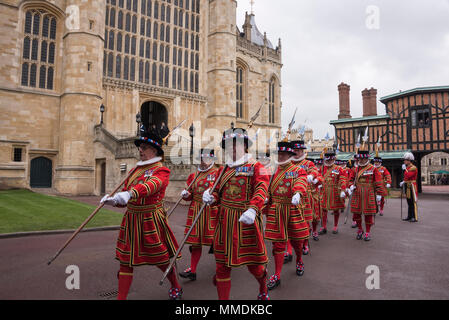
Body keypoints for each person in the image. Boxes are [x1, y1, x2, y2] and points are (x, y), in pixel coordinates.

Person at [101, 127, 182, 300]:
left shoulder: (161, 170)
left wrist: (129, 194)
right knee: (126, 260)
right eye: (140, 147)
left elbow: (150, 186)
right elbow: (124, 196)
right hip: (131, 219)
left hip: (150, 219)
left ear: (154, 150)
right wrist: (114, 200)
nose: (140, 150)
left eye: (144, 147)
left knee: (160, 259)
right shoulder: (134, 171)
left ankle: (175, 284)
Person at [202, 128, 270, 300]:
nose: (232, 148)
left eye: (236, 144)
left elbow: (262, 189)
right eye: (228, 145)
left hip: (245, 221)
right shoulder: (222, 170)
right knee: (221, 267)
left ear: (245, 146)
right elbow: (217, 191)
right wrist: (211, 196)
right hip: (224, 223)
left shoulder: (257, 167)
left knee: (255, 267)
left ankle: (263, 286)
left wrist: (253, 209)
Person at [265, 142, 310, 290]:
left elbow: (301, 181)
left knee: (296, 241)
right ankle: (277, 275)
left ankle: (299, 260)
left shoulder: (297, 170)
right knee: (277, 244)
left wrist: (297, 192)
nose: (280, 156)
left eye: (283, 154)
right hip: (277, 210)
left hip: (291, 208)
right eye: (278, 154)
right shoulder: (273, 171)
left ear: (290, 155)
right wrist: (266, 198)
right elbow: (267, 188)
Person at [179, 149, 220, 281]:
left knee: (217, 242)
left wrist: (212, 197)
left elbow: (221, 192)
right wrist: (186, 195)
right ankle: (193, 270)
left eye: (206, 159)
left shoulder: (218, 173)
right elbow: (190, 195)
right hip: (196, 209)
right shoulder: (194, 175)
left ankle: (222, 269)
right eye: (201, 158)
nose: (203, 161)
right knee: (195, 242)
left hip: (212, 211)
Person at [348, 150, 387, 241]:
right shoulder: (355, 169)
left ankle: (367, 232)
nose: (360, 160)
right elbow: (350, 180)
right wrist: (350, 186)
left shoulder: (373, 169)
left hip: (369, 193)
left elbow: (378, 182)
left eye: (362, 159)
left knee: (368, 214)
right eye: (359, 159)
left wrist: (379, 194)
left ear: (367, 158)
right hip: (357, 193)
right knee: (356, 215)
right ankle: (360, 229)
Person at [319, 149, 348, 235]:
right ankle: (323, 226)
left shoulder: (339, 168)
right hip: (324, 190)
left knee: (336, 209)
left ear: (334, 159)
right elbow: (318, 176)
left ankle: (335, 226)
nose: (329, 161)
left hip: (335, 191)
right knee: (323, 210)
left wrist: (343, 189)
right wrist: (318, 182)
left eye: (331, 159)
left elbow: (343, 179)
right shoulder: (322, 168)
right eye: (327, 159)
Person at [400, 152, 418, 222]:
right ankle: (409, 216)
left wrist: (405, 170)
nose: (404, 161)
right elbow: (406, 177)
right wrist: (403, 182)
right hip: (408, 186)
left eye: (405, 160)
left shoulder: (413, 167)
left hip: (412, 186)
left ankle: (414, 217)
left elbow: (409, 176)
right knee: (409, 202)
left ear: (409, 160)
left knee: (413, 202)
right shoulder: (407, 167)